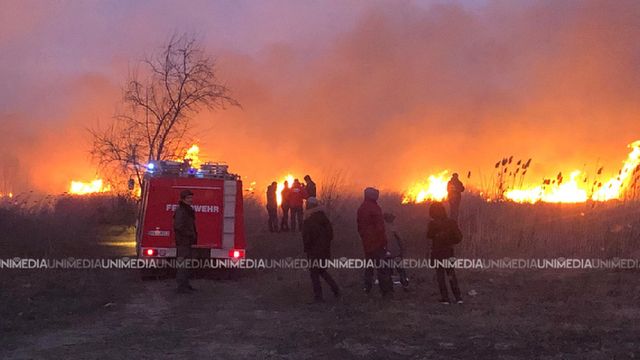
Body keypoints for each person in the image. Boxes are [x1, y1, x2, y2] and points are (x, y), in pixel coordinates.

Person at [302, 197, 340, 303]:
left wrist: (307, 248)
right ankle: (335, 289)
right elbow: (330, 235)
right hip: (325, 250)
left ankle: (318, 297)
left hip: (313, 252)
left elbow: (307, 238)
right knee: (322, 271)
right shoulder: (325, 219)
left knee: (314, 274)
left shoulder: (308, 221)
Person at [357, 187, 393, 296]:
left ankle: (367, 288)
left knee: (369, 266)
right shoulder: (374, 208)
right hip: (377, 243)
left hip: (367, 243)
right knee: (382, 267)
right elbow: (379, 228)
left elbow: (360, 227)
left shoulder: (362, 208)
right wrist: (384, 241)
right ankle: (386, 291)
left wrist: (364, 237)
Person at [426, 202, 463, 305]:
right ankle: (458, 297)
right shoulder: (451, 222)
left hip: (437, 253)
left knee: (440, 276)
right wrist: (450, 241)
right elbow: (459, 237)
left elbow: (429, 235)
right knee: (451, 274)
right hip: (448, 252)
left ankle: (445, 298)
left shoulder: (432, 224)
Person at [173, 189, 197, 293]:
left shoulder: (187, 209)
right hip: (183, 242)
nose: (190, 200)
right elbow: (178, 226)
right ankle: (181, 287)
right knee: (182, 265)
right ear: (183, 199)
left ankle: (185, 285)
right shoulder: (181, 210)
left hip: (187, 242)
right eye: (188, 198)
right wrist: (188, 234)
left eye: (191, 198)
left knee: (186, 264)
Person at [383, 213, 409, 290]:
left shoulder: (382, 228)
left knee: (388, 270)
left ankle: (389, 286)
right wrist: (402, 250)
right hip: (396, 252)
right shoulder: (394, 228)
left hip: (387, 252)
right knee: (400, 269)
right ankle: (405, 284)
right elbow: (400, 240)